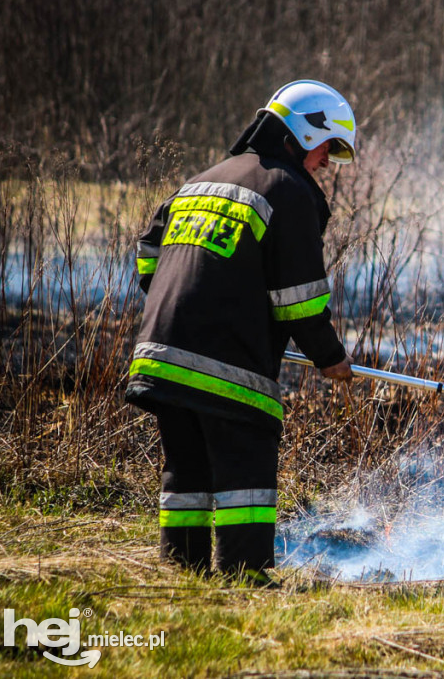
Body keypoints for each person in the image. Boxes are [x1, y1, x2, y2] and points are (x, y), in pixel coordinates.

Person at [126, 80, 356, 586]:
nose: (325, 162)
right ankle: (243, 579)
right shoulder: (289, 191)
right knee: (246, 466)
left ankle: (182, 573)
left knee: (185, 470)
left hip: (159, 355)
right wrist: (330, 358)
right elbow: (299, 298)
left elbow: (148, 257)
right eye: (325, 148)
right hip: (225, 362)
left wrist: (192, 302)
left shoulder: (202, 181)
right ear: (303, 132)